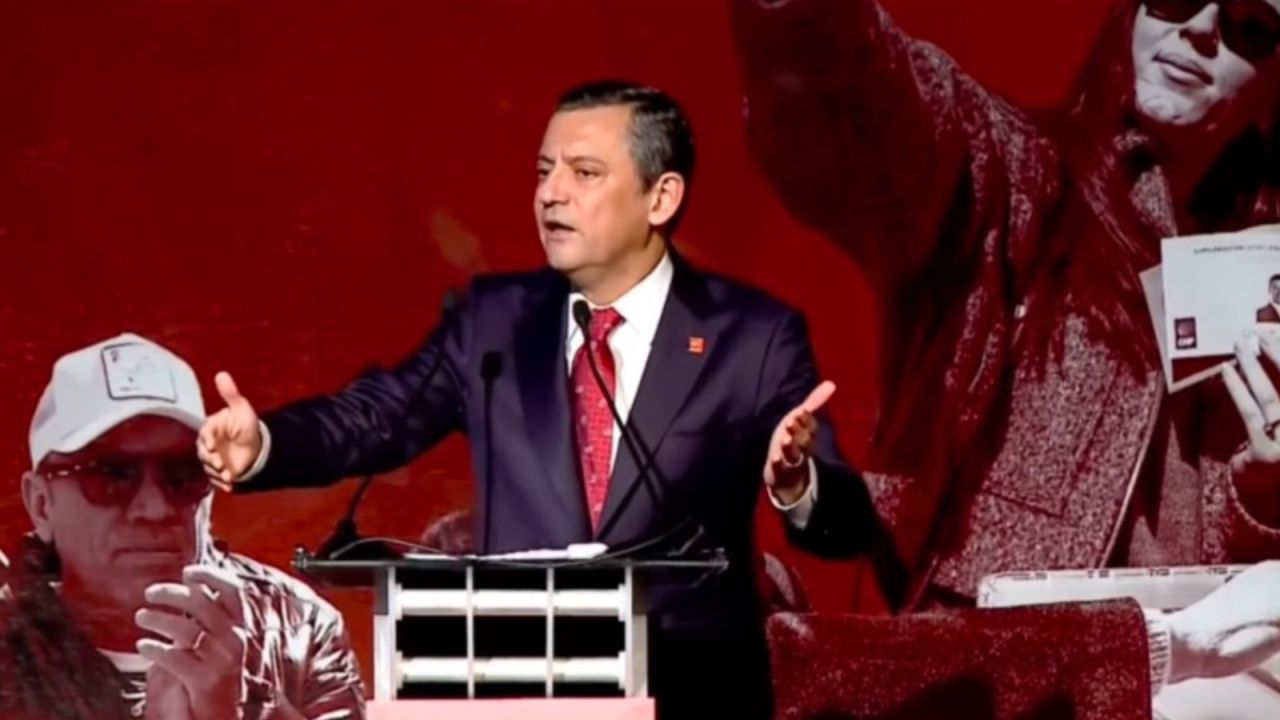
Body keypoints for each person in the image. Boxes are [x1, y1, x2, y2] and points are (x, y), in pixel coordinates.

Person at [196, 81, 877, 720]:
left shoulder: (752, 337)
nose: (551, 194)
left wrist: (798, 485)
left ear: (661, 197)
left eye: (584, 173)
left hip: (692, 698)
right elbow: (376, 418)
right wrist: (266, 446)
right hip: (519, 693)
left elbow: (845, 524)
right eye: (544, 172)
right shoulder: (493, 325)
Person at [734, 0, 1280, 609]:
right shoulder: (1022, 178)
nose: (1199, 28)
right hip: (985, 654)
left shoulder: (1265, 277)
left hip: (1182, 661)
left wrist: (1264, 498)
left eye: (1250, 26)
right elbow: (870, 97)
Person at [1, 333, 365, 720]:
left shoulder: (299, 627)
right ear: (41, 504)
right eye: (112, 475)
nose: (155, 508)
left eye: (184, 472)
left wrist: (245, 706)